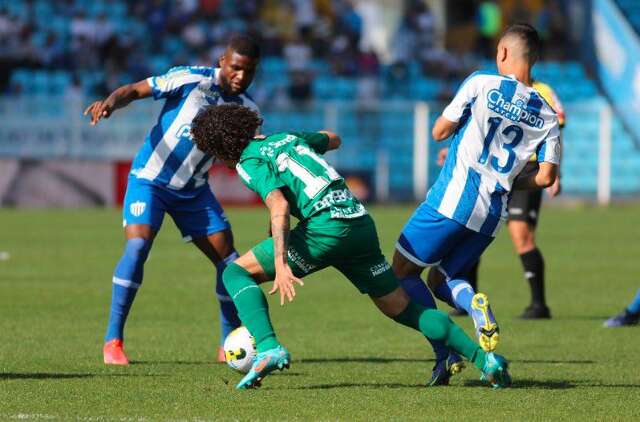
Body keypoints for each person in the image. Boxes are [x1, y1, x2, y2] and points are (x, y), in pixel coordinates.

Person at [190, 103, 512, 390]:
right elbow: (333, 138)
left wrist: (282, 263)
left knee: (234, 273)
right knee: (404, 310)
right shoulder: (286, 139)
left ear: (221, 147)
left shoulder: (249, 160)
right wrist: (311, 142)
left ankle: (268, 345)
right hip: (359, 223)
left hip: (324, 229)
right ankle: (487, 362)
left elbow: (279, 206)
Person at [84, 35, 261, 365]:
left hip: (194, 192)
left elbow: (246, 156)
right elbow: (135, 90)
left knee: (231, 263)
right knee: (137, 248)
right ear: (222, 61)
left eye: (248, 72)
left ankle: (228, 343)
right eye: (236, 68)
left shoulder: (247, 111)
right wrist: (110, 102)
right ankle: (113, 342)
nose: (241, 76)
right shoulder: (190, 79)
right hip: (150, 180)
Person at [392, 23, 561, 352]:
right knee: (441, 280)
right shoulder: (548, 115)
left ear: (502, 52)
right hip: (492, 215)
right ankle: (474, 305)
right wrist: (511, 179)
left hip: (451, 200)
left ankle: (445, 351)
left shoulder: (481, 82)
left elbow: (439, 132)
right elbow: (545, 178)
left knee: (401, 272)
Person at [437, 79, 566, 320]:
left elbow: (557, 132)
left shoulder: (543, 91)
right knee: (471, 227)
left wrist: (554, 172)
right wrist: (455, 151)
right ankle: (467, 298)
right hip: (492, 170)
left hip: (528, 171)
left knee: (521, 234)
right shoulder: (496, 88)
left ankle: (539, 304)